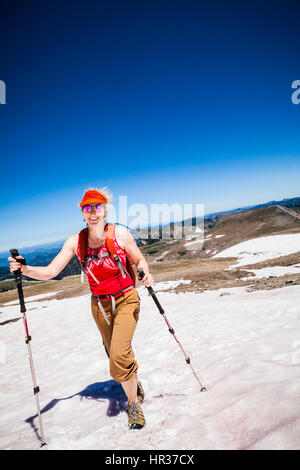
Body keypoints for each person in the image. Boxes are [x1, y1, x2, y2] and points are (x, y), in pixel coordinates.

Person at [8, 187, 154, 430]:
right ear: (83, 213)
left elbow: (139, 260)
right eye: (87, 208)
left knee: (118, 354)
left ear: (105, 209)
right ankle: (133, 383)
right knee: (113, 353)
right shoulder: (76, 241)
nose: (92, 212)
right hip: (99, 304)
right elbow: (51, 272)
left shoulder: (120, 234)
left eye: (97, 207)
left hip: (126, 297)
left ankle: (133, 403)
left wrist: (145, 271)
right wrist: (24, 269)